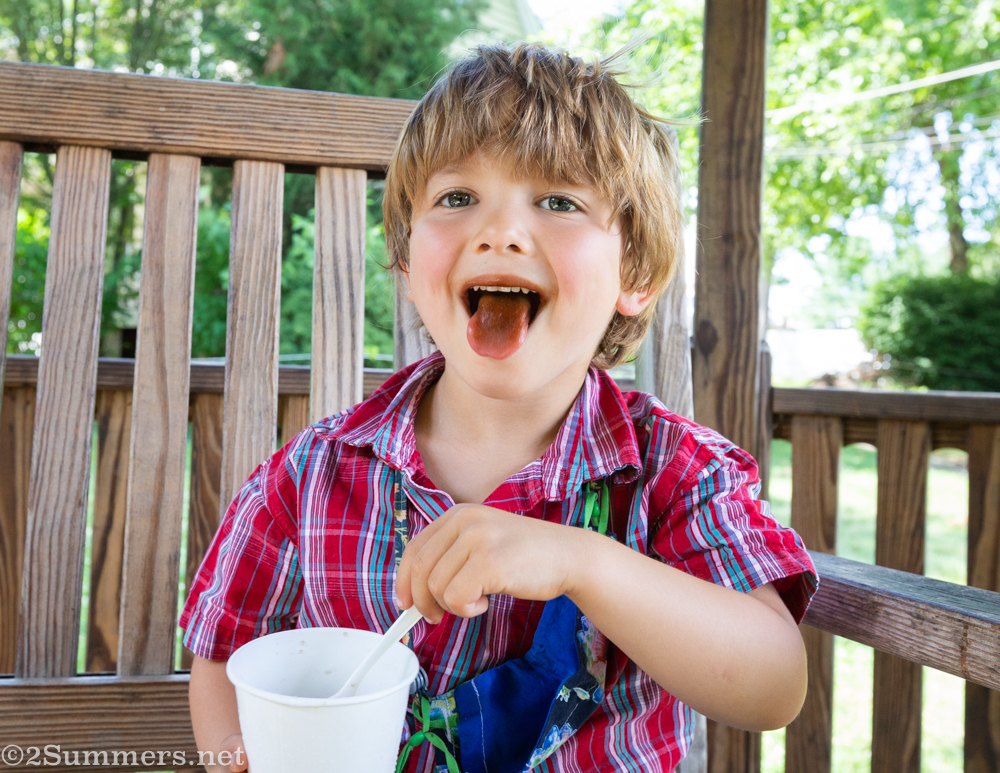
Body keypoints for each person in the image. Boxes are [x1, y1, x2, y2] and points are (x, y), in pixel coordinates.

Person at [181, 42, 817, 773]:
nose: (501, 231)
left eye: (558, 201)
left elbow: (774, 684)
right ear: (408, 263)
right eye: (457, 198)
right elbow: (224, 653)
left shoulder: (673, 471)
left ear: (634, 271)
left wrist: (583, 562)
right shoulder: (312, 474)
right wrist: (240, 756)